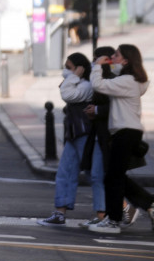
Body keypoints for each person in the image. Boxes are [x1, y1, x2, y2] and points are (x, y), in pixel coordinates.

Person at [88, 44, 154, 234]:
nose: (112, 57)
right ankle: (153, 205)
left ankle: (114, 220)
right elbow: (109, 79)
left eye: (117, 55)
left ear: (126, 60)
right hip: (127, 132)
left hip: (125, 133)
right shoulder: (130, 80)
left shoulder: (127, 81)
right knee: (116, 177)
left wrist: (98, 65)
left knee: (113, 178)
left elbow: (98, 84)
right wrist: (106, 65)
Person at [37, 52, 105, 227]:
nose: (65, 71)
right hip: (73, 135)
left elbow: (67, 94)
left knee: (94, 174)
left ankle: (108, 212)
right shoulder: (78, 82)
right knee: (65, 173)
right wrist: (74, 76)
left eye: (69, 67)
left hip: (85, 134)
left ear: (80, 68)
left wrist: (74, 76)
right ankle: (60, 212)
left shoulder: (87, 86)